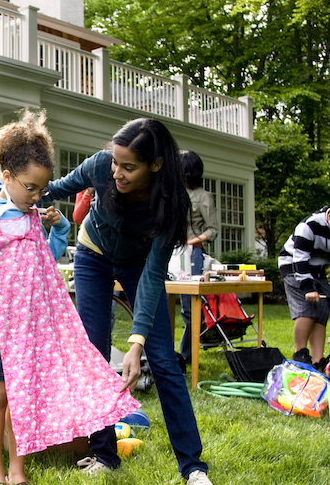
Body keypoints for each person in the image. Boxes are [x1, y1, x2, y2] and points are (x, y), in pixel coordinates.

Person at [0, 110, 136, 485]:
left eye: (41, 189)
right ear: (6, 177)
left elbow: (44, 262)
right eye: (29, 188)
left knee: (21, 395)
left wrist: (62, 228)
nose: (36, 196)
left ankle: (17, 470)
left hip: (32, 319)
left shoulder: (33, 214)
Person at [44, 118, 213, 485]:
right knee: (94, 353)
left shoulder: (171, 204)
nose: (117, 172)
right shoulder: (102, 165)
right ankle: (103, 452)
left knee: (164, 360)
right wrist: (15, 195)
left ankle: (193, 467)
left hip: (140, 266)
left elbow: (154, 275)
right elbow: (56, 187)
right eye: (116, 163)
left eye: (128, 167)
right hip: (93, 255)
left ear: (155, 165)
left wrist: (136, 344)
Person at [277, 202, 330, 370]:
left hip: (318, 269)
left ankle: (317, 361)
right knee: (307, 308)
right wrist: (308, 288)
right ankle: (300, 353)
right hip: (294, 267)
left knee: (322, 310)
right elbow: (300, 259)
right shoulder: (308, 227)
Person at [178, 150, 218, 364]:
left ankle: (186, 357)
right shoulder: (172, 192)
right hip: (169, 252)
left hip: (192, 254)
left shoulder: (203, 196)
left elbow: (212, 230)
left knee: (189, 308)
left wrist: (190, 242)